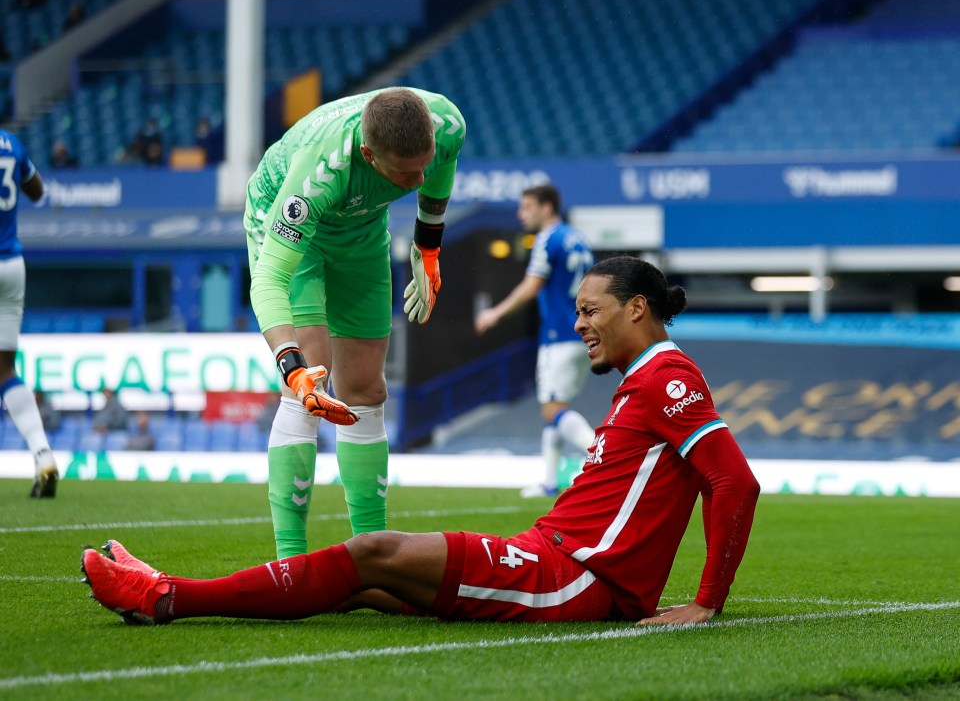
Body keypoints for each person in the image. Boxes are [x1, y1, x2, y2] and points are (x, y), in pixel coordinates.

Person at [81, 256, 761, 627]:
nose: (580, 323)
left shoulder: (668, 374)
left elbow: (734, 481)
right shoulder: (646, 378)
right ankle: (168, 589)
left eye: (590, 310)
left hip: (574, 578)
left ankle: (163, 594)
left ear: (636, 308)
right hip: (551, 556)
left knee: (372, 550)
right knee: (362, 579)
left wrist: (706, 601)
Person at [243, 87, 465, 560]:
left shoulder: (446, 126)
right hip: (291, 232)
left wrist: (428, 248)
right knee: (311, 389)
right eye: (407, 172)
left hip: (361, 232)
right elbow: (268, 281)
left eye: (423, 163)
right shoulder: (318, 176)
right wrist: (291, 365)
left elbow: (438, 175)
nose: (419, 177)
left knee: (366, 389)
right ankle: (290, 562)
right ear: (368, 155)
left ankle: (372, 552)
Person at [475, 184, 595, 497]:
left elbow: (531, 286)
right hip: (582, 331)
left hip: (560, 334)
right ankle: (549, 482)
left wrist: (495, 314)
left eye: (527, 206)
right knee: (555, 405)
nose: (521, 214)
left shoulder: (548, 238)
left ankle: (601, 457)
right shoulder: (576, 237)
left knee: (552, 409)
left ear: (547, 207)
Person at [0, 128, 58, 497]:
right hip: (11, 265)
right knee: (5, 369)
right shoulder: (11, 143)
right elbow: (37, 191)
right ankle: (43, 454)